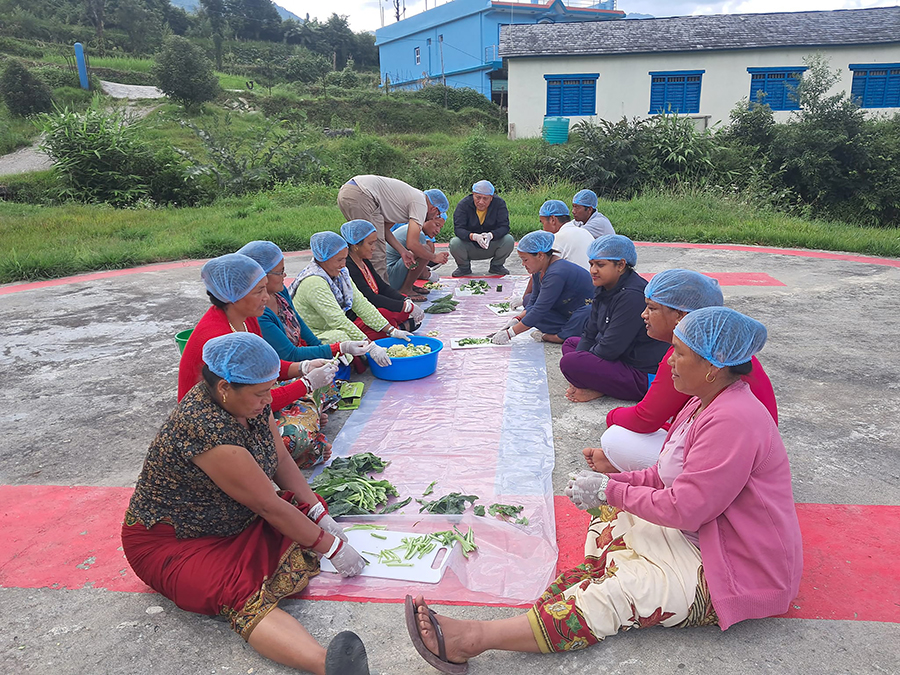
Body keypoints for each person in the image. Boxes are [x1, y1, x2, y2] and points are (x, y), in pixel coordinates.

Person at [405, 307, 802, 673]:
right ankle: (594, 587)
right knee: (609, 518)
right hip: (700, 533)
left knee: (617, 595)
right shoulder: (702, 402)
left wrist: (612, 492)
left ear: (713, 367)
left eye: (679, 353)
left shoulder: (734, 419)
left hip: (730, 562)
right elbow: (665, 475)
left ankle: (473, 640)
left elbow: (687, 509)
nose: (669, 362)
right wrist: (613, 484)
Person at [124, 333, 371, 675]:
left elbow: (280, 457)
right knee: (236, 591)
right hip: (175, 541)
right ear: (225, 387)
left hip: (232, 516)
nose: (268, 399)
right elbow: (268, 506)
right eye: (260, 393)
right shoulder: (205, 428)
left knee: (298, 516)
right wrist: (330, 546)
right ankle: (326, 665)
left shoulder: (248, 403)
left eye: (269, 389)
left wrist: (316, 509)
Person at [585, 269, 779, 473]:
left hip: (736, 463)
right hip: (749, 451)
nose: (643, 314)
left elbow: (646, 419)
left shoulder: (693, 359)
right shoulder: (721, 347)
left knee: (615, 437)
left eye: (652, 308)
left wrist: (612, 415)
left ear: (681, 315)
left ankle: (633, 468)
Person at [178, 253, 342, 469]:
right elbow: (251, 397)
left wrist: (302, 367)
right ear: (233, 296)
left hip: (249, 399)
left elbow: (263, 369)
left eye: (265, 288)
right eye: (259, 291)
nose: (266, 296)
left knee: (326, 383)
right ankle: (307, 424)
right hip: (225, 415)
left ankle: (308, 415)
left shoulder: (248, 318)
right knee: (294, 437)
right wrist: (306, 384)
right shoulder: (218, 336)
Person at [560, 235, 669, 403]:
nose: (593, 270)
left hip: (641, 371)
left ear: (621, 265)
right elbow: (590, 332)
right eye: (591, 264)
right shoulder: (604, 287)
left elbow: (609, 349)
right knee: (571, 344)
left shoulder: (632, 296)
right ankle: (598, 383)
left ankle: (600, 387)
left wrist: (584, 367)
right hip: (621, 355)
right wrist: (585, 365)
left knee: (570, 362)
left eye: (600, 265)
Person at [237, 240, 372, 365]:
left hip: (299, 350)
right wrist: (335, 349)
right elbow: (289, 355)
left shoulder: (280, 292)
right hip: (283, 364)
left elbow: (298, 321)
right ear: (261, 276)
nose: (285, 275)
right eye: (280, 272)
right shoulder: (259, 312)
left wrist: (319, 346)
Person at [289, 232, 409, 363]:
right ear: (323, 258)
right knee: (341, 337)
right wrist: (370, 346)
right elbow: (338, 320)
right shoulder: (314, 282)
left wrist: (391, 330)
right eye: (339, 260)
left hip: (331, 326)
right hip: (314, 334)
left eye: (345, 259)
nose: (343, 264)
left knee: (378, 329)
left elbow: (361, 303)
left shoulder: (341, 273)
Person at [337, 174, 449, 279]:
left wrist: (402, 251)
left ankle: (365, 287)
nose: (434, 217)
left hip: (350, 191)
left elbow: (385, 229)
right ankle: (381, 295)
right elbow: (412, 243)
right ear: (434, 209)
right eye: (437, 215)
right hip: (362, 195)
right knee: (374, 249)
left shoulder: (412, 198)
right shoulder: (421, 204)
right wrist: (434, 257)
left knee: (361, 246)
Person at [490, 231, 594, 346]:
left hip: (582, 312)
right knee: (528, 301)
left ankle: (556, 337)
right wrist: (517, 319)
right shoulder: (538, 270)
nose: (523, 264)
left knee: (584, 315)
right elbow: (534, 301)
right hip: (564, 311)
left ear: (540, 255)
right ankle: (566, 331)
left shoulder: (557, 273)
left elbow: (540, 309)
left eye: (525, 260)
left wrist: (510, 333)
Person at [341, 220, 425, 335]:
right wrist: (403, 306)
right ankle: (397, 329)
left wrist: (405, 301)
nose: (374, 248)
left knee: (403, 305)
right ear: (355, 246)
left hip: (373, 307)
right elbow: (370, 298)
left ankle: (398, 328)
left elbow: (382, 287)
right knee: (385, 314)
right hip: (359, 315)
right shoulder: (348, 266)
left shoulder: (363, 260)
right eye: (370, 244)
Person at [449, 180, 514, 277]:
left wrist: (491, 235)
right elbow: (458, 229)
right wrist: (473, 236)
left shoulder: (499, 204)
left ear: (491, 198)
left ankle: (497, 266)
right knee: (454, 243)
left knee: (509, 240)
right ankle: (464, 267)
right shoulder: (463, 205)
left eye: (485, 198)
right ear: (473, 194)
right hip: (469, 245)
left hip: (491, 244)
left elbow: (504, 226)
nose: (481, 202)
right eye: (478, 197)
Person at [386, 217, 448, 299]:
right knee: (425, 250)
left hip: (388, 274)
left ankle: (409, 286)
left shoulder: (411, 229)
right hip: (389, 278)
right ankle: (406, 289)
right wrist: (430, 272)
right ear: (425, 220)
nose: (438, 230)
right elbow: (422, 272)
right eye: (436, 225)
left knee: (427, 247)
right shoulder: (418, 234)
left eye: (440, 228)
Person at [539, 199, 594, 271]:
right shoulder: (585, 232)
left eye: (543, 223)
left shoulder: (558, 238)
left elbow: (545, 269)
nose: (543, 229)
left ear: (553, 220)